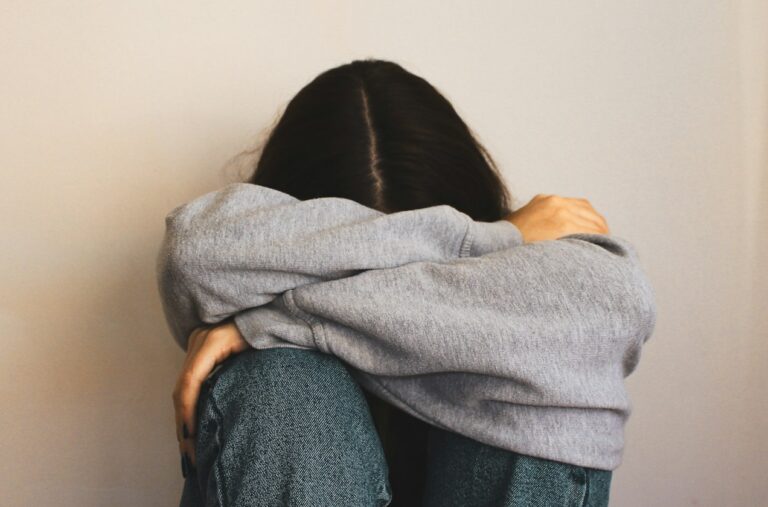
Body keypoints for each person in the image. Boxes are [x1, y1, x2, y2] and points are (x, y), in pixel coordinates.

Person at [155, 58, 657, 506]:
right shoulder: (500, 241)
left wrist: (270, 319)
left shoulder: (534, 268)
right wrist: (488, 241)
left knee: (542, 368)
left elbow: (616, 302)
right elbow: (192, 253)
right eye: (362, 256)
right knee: (277, 382)